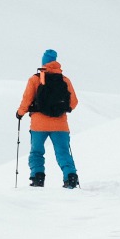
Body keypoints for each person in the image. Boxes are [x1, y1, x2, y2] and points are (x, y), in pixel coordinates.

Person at [16, 49, 79, 189]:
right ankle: (71, 178)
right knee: (63, 152)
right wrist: (60, 109)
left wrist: (20, 113)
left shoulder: (35, 79)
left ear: (43, 62)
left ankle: (38, 178)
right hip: (60, 125)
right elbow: (74, 102)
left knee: (37, 152)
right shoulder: (64, 80)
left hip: (39, 125)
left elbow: (27, 100)